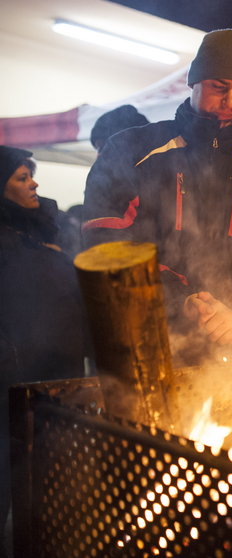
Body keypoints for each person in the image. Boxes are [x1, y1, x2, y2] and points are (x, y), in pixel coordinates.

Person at [82, 29, 232, 365]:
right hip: (147, 345)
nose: (229, 102)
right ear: (194, 82)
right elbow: (106, 240)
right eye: (219, 87)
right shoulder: (131, 150)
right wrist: (182, 301)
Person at [0, 146, 92, 558]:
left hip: (59, 380)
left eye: (30, 175)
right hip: (13, 383)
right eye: (21, 178)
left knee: (53, 483)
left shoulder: (45, 231)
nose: (33, 183)